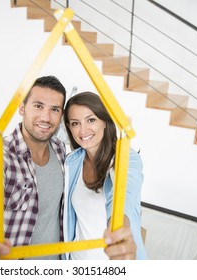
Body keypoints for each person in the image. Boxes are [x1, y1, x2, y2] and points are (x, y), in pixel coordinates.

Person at [0, 75, 67, 260]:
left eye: (54, 109)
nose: (46, 117)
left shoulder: (60, 149)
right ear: (22, 108)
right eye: (38, 106)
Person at [62, 91, 146, 260]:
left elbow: (123, 198)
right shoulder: (72, 162)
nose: (83, 130)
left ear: (105, 122)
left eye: (91, 120)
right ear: (69, 128)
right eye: (75, 123)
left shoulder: (126, 159)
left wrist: (119, 230)